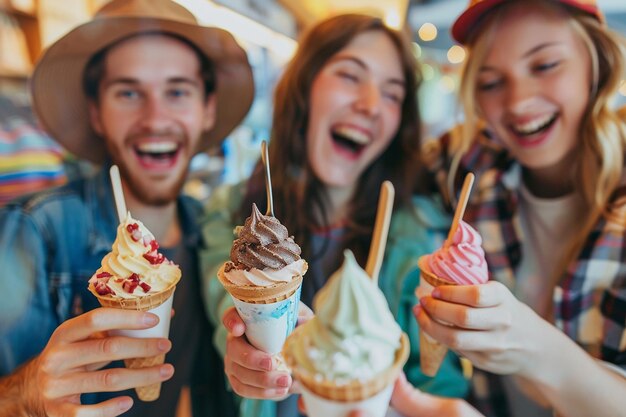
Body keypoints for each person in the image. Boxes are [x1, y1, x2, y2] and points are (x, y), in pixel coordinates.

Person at [201, 13, 469, 417]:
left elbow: (439, 383)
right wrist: (251, 353)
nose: (371, 105)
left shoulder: (424, 233)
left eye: (393, 94)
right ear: (305, 86)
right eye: (349, 76)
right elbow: (228, 309)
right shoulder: (231, 214)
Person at [0, 0, 253, 416]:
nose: (155, 118)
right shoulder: (35, 232)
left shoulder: (215, 234)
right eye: (129, 92)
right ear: (96, 113)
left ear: (207, 109)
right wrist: (21, 394)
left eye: (177, 91)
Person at [414, 1, 626, 417]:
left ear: (596, 64)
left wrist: (535, 350)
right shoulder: (470, 168)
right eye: (492, 83)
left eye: (545, 65)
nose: (518, 102)